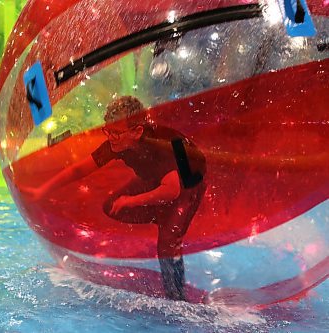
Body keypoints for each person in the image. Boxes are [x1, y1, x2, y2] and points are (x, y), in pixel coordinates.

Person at [21, 96, 206, 301]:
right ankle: (163, 213)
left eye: (116, 132)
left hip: (189, 184)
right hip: (156, 180)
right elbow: (80, 169)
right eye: (107, 131)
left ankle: (177, 299)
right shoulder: (118, 143)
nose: (111, 137)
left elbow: (172, 190)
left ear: (137, 132)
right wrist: (43, 191)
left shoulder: (159, 146)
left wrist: (131, 200)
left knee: (167, 241)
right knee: (112, 205)